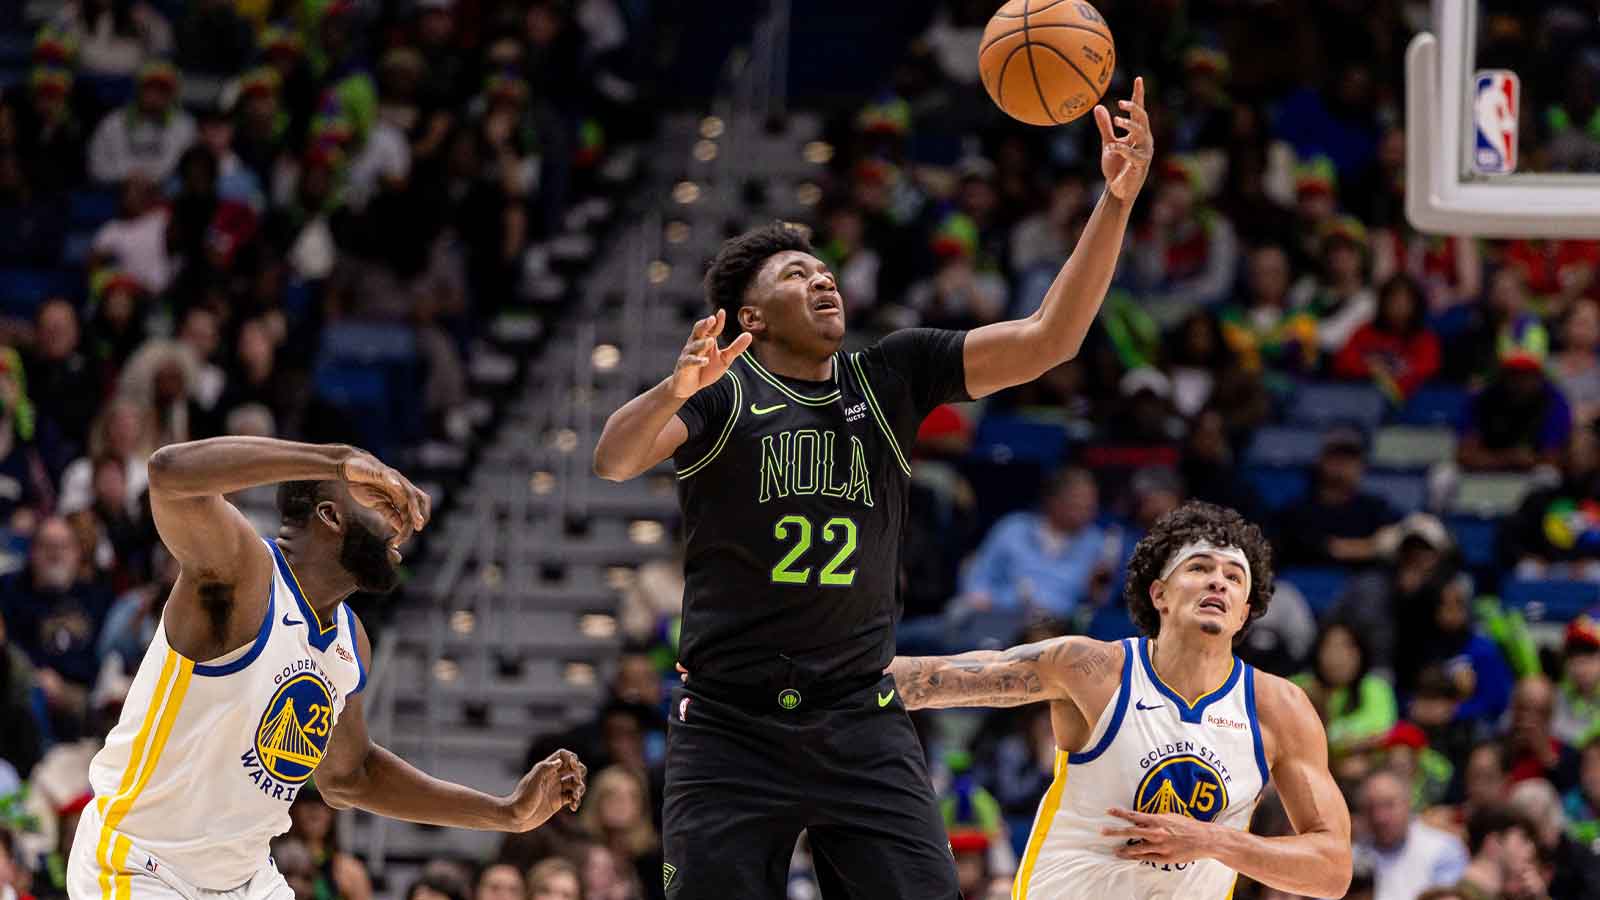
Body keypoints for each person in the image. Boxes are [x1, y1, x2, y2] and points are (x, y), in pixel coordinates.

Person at [591, 79, 1155, 900]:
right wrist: (673, 390)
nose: (824, 282)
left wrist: (1116, 200)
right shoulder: (720, 394)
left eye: (826, 272)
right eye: (797, 274)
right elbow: (614, 459)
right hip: (729, 725)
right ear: (751, 318)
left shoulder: (890, 374)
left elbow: (1050, 338)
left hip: (860, 715)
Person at [64, 436, 587, 900]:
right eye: (380, 501)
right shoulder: (244, 576)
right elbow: (168, 474)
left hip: (246, 880)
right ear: (331, 516)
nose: (401, 520)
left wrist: (505, 813)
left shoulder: (349, 641)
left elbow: (351, 776)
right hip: (141, 864)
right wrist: (334, 461)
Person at [887, 501, 1353, 898]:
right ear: (1159, 594)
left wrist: (1212, 841)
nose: (1218, 583)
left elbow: (1332, 869)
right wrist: (845, 673)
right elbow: (937, 678)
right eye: (1199, 568)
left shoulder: (1279, 708)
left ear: (1244, 612)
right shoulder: (1093, 671)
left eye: (1234, 577)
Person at [1357, 770, 1468, 900]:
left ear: (1408, 803)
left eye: (1389, 805)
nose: (1380, 817)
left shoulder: (1444, 850)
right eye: (1371, 808)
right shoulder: (1352, 857)